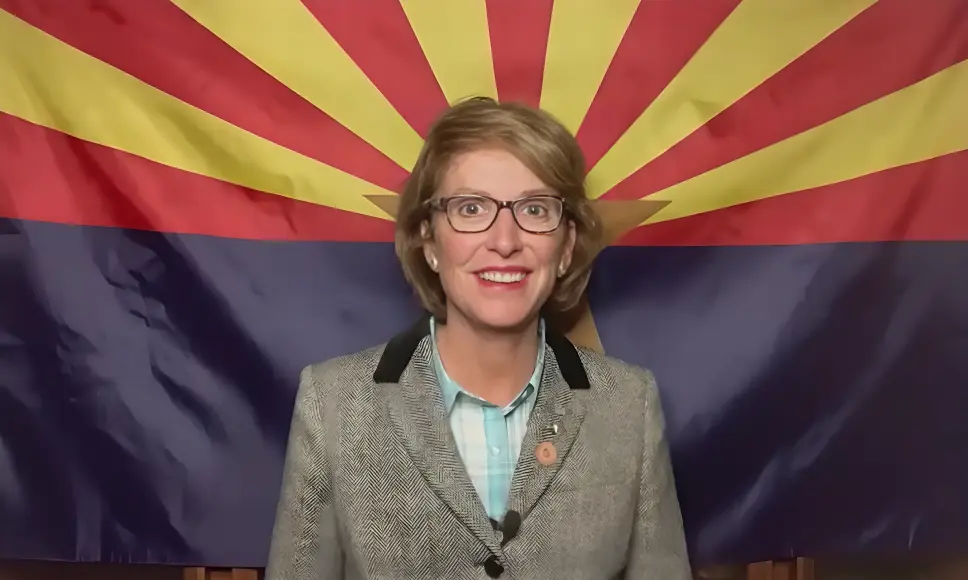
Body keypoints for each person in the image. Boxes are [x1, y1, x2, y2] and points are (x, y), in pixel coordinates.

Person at [265, 97, 691, 580]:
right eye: (471, 208)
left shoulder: (628, 405)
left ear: (567, 244)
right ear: (428, 240)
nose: (505, 241)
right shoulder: (335, 403)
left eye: (535, 208)